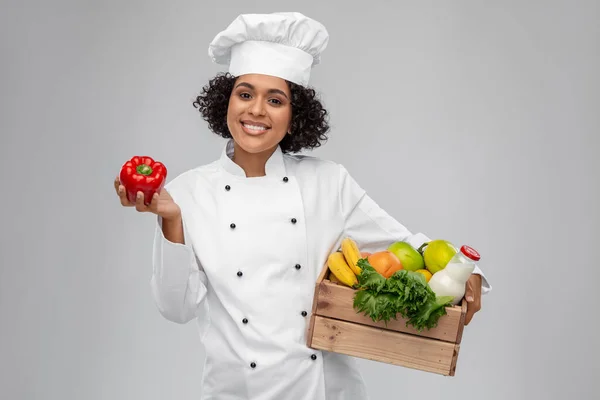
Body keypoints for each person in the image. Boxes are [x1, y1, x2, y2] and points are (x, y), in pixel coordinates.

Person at [114, 12, 492, 400]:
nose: (257, 111)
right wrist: (171, 221)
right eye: (245, 94)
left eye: (275, 100)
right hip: (236, 392)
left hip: (326, 391)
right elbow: (175, 309)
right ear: (224, 103)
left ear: (294, 117)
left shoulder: (328, 183)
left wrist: (470, 272)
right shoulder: (187, 192)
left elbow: (406, 244)